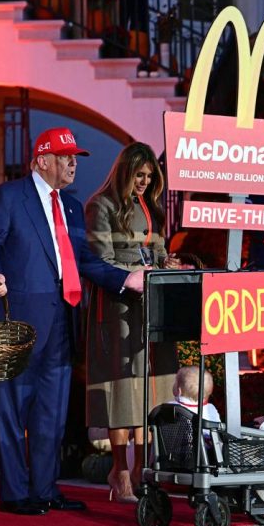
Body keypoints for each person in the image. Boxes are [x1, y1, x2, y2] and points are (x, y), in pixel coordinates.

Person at [0, 127, 145, 515]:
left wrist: (125, 279)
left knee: (52, 411)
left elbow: (83, 260)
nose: (72, 163)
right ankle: (16, 494)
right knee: (14, 408)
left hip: (63, 322)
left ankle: (46, 490)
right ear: (42, 160)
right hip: (18, 320)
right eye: (65, 156)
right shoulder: (9, 197)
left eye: (75, 157)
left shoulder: (69, 206)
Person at [84, 142, 180, 504]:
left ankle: (143, 467)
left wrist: (165, 264)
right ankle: (119, 469)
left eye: (149, 177)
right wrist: (135, 275)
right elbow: (99, 261)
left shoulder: (151, 207)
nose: (144, 182)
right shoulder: (101, 205)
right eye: (139, 175)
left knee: (149, 387)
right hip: (117, 308)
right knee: (122, 388)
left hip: (149, 306)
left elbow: (156, 252)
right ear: (125, 171)